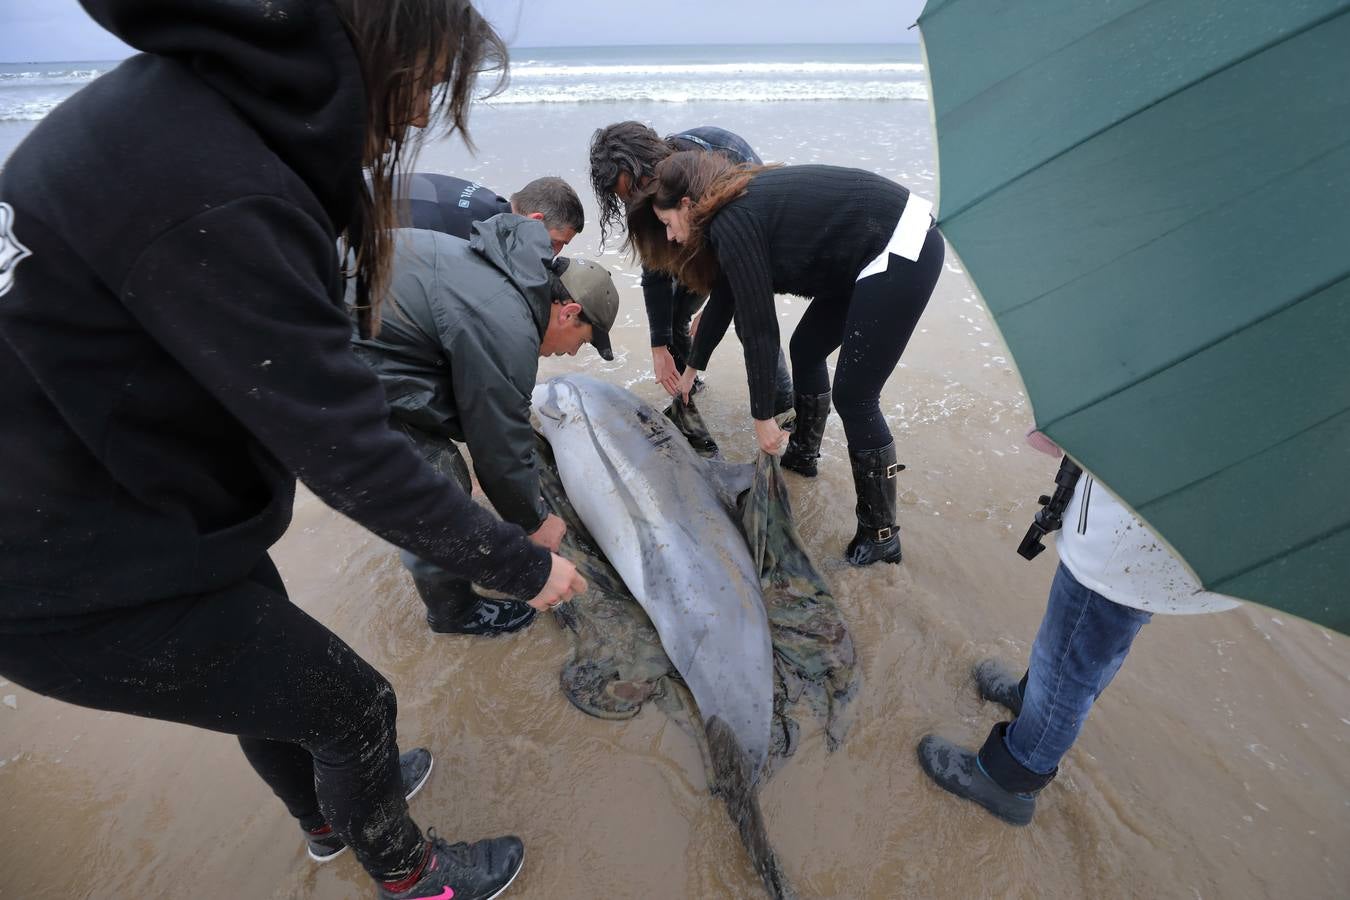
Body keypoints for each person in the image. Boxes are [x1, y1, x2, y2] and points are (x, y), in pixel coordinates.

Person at [0, 2, 583, 898]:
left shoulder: (177, 111)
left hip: (135, 509)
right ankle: (414, 880)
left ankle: (323, 819)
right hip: (64, 570)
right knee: (354, 707)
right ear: (380, 46)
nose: (419, 114)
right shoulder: (222, 186)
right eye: (427, 83)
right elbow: (349, 454)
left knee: (274, 685)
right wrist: (522, 565)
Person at [626, 151, 944, 565]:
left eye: (667, 223)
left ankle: (881, 535)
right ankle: (804, 456)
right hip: (867, 249)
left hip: (901, 246)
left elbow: (759, 328)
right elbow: (726, 295)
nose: (668, 237)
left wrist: (763, 419)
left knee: (856, 398)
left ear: (686, 204)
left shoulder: (731, 219)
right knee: (806, 348)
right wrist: (691, 370)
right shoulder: (726, 212)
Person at [916, 437, 1240, 826]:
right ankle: (1030, 703)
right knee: (1095, 646)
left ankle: (1009, 778)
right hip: (1179, 540)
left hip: (1128, 540)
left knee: (1068, 663)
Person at [353, 215, 619, 636]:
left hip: (349, 315)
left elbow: (482, 411)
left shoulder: (510, 273)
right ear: (569, 313)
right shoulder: (508, 327)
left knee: (442, 446)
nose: (573, 353)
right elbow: (498, 449)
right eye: (582, 341)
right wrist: (536, 521)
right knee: (436, 486)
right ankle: (453, 613)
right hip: (329, 346)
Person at [589, 120, 793, 408]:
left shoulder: (714, 163)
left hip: (750, 233)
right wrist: (659, 345)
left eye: (636, 188)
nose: (635, 200)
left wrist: (714, 308)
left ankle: (785, 413)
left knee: (751, 323)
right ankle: (689, 395)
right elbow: (655, 268)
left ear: (649, 162)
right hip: (695, 239)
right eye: (626, 197)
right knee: (673, 317)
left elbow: (743, 254)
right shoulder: (642, 190)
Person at [392, 171, 584, 255]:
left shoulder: (489, 203)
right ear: (535, 220)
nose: (555, 253)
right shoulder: (478, 233)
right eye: (555, 242)